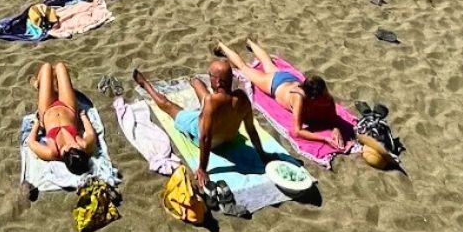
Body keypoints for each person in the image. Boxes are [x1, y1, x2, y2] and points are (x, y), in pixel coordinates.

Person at [130, 59, 269, 189]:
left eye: (210, 76)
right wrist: (262, 154)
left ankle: (145, 85)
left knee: (170, 106)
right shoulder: (242, 98)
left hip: (208, 139)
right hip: (228, 137)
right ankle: (195, 82)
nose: (209, 78)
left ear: (219, 82)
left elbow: (205, 137)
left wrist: (202, 168)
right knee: (203, 93)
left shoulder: (211, 102)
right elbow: (251, 130)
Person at [215, 40, 356, 154]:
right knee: (244, 68)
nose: (325, 98)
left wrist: (336, 129)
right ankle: (222, 46)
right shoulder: (299, 99)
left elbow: (333, 119)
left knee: (268, 63)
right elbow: (297, 131)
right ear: (312, 97)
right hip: (274, 84)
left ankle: (250, 43)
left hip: (289, 80)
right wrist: (324, 139)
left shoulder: (327, 99)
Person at [26, 62, 99, 174]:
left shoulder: (52, 152)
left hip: (47, 110)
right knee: (60, 66)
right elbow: (90, 134)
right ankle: (53, 85)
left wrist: (37, 124)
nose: (70, 145)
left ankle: (39, 84)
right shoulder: (83, 145)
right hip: (68, 107)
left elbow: (31, 142)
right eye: (74, 147)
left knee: (46, 67)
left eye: (67, 150)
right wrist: (83, 116)